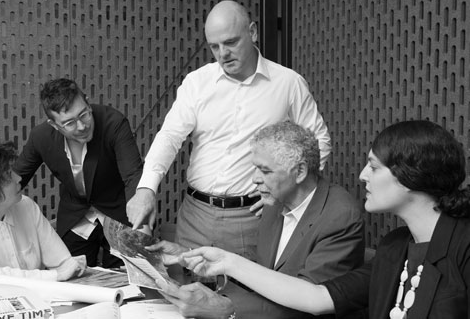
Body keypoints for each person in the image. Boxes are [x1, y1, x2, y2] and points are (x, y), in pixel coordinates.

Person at [168, 120, 470, 318]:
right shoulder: (394, 248)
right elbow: (316, 297)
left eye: (374, 168)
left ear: (409, 176)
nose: (362, 176)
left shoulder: (464, 246)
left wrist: (225, 309)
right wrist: (222, 261)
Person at [127, 0, 331, 260]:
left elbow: (320, 141)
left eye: (231, 42)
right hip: (195, 214)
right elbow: (169, 137)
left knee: (246, 296)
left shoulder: (288, 83)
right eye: (214, 46)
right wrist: (146, 189)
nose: (223, 53)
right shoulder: (197, 82)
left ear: (253, 32)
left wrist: (286, 189)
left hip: (252, 218)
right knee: (187, 293)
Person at [148, 122, 365, 318]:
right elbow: (258, 269)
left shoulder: (340, 215)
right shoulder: (276, 202)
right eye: (255, 168)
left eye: (265, 171)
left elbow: (309, 303)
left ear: (299, 171)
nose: (255, 179)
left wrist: (227, 308)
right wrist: (188, 255)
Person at [13, 78, 143, 268]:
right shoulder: (41, 137)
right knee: (72, 278)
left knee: (124, 281)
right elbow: (17, 178)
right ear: (54, 124)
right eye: (70, 123)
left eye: (84, 115)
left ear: (88, 102)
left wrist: (140, 221)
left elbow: (133, 175)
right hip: (76, 216)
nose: (81, 126)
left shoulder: (112, 122)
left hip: (118, 214)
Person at [0, 141, 86, 283]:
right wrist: (55, 276)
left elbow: (63, 263)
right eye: (9, 177)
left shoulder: (25, 206)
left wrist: (71, 269)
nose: (19, 178)